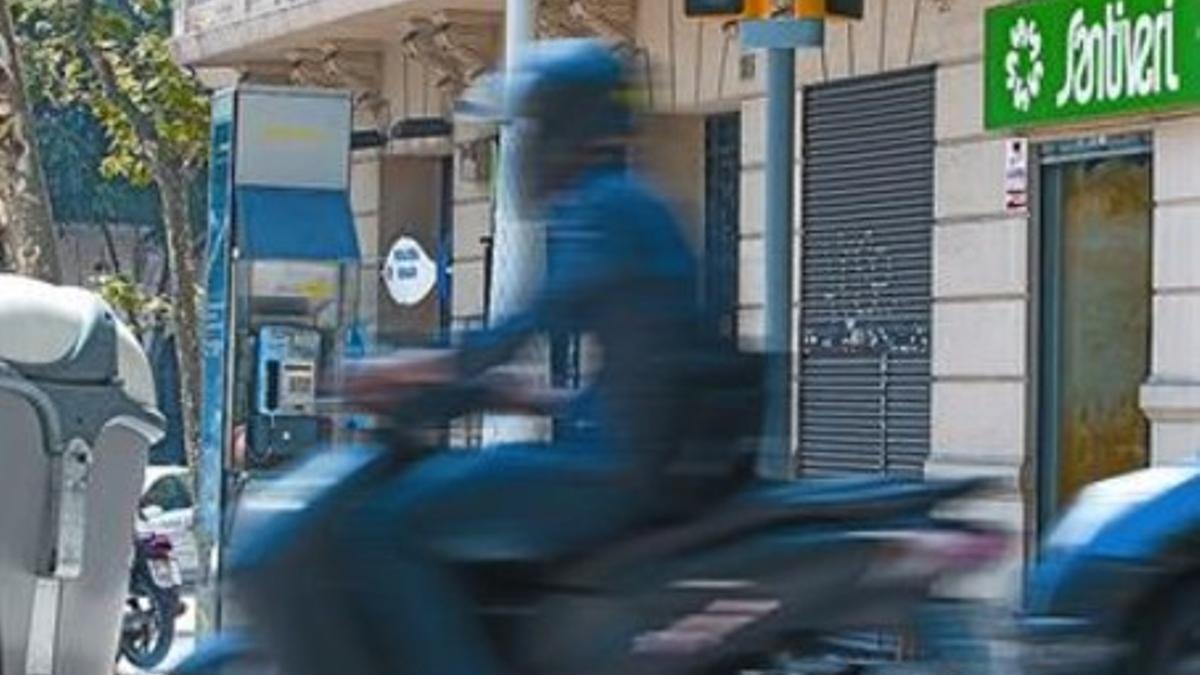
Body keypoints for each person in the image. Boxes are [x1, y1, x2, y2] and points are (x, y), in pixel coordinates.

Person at [327, 39, 722, 675]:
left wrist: (398, 370)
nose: (524, 146)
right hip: (635, 459)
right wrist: (534, 396)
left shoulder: (599, 210)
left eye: (530, 127)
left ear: (562, 128)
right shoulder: (641, 206)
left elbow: (514, 333)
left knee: (387, 524)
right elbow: (647, 359)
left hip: (607, 473)